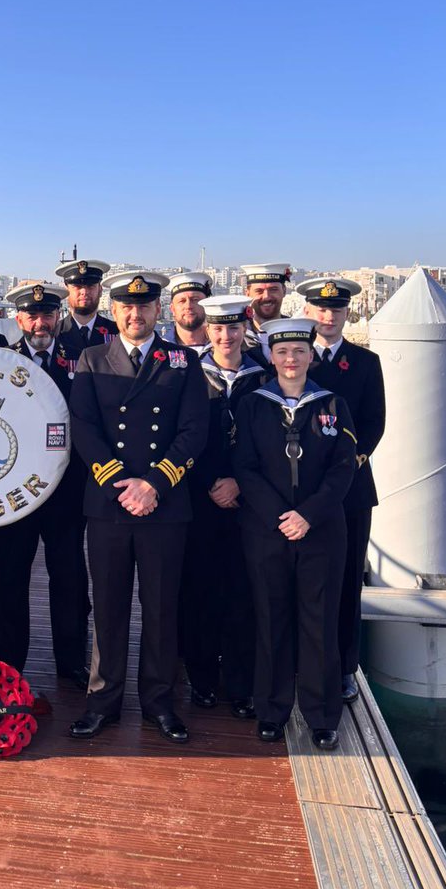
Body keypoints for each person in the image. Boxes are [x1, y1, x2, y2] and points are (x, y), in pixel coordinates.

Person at [68, 270, 209, 743]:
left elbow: (194, 431)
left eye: (144, 306)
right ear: (114, 311)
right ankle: (102, 701)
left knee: (161, 607)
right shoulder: (91, 359)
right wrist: (118, 483)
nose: (135, 313)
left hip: (163, 506)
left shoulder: (183, 361)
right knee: (107, 607)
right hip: (108, 505)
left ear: (157, 310)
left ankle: (159, 702)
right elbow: (83, 429)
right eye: (127, 306)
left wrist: (153, 484)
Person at [233, 318, 357, 750]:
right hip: (268, 532)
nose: (291, 359)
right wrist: (280, 516)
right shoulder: (252, 405)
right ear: (271, 356)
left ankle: (322, 716)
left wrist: (306, 515)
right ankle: (271, 710)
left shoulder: (334, 405)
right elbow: (244, 467)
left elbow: (344, 469)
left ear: (309, 355)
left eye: (299, 352)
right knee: (271, 620)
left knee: (319, 622)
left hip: (321, 531)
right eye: (282, 352)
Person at [0, 283, 90, 688]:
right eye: (31, 315)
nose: (40, 322)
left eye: (47, 314)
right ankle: (10, 660)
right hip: (14, 491)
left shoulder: (80, 361)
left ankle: (71, 660)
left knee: (69, 578)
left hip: (65, 491)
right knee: (9, 577)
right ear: (19, 320)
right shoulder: (1, 362)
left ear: (58, 317)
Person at [297, 276, 386, 704]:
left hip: (349, 492)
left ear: (347, 313)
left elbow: (373, 423)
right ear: (309, 312)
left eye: (336, 310)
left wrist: (345, 467)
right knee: (296, 578)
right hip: (298, 492)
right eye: (320, 309)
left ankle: (345, 667)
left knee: (348, 579)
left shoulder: (365, 363)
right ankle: (298, 661)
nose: (328, 316)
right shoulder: (292, 359)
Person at [178, 295, 265, 718]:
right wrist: (211, 481)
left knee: (242, 593)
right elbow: (182, 438)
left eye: (234, 328)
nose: (227, 337)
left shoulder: (263, 378)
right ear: (207, 331)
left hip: (248, 503)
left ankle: (240, 683)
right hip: (199, 500)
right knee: (200, 591)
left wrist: (238, 483)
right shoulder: (189, 376)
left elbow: (267, 445)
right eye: (218, 329)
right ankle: (201, 679)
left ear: (243, 329)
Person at [54, 258, 118, 353]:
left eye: (90, 286)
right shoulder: (54, 334)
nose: (84, 292)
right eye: (77, 287)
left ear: (100, 290)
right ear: (67, 291)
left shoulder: (117, 333)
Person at [241, 263, 292, 365]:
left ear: (284, 291)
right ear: (247, 294)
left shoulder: (298, 333)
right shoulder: (238, 338)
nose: (267, 297)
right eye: (259, 291)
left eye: (273, 290)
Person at [159, 272, 212, 351]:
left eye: (195, 300)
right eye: (182, 301)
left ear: (206, 305)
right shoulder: (160, 349)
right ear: (172, 308)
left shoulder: (222, 347)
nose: (188, 306)